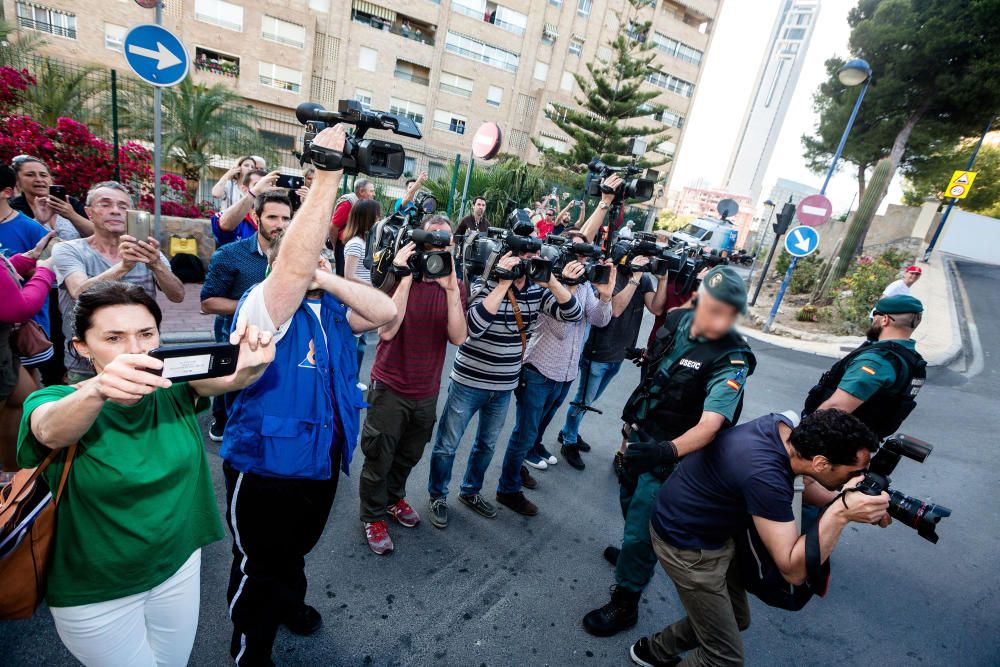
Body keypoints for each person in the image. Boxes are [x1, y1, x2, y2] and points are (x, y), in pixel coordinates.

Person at [16, 280, 275, 667]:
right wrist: (99, 389)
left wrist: (254, 359)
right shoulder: (54, 399)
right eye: (114, 338)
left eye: (146, 334)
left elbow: (233, 378)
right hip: (98, 591)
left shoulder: (172, 389)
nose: (135, 350)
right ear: (81, 348)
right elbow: (50, 430)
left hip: (178, 567)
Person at [220, 124, 397, 666]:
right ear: (278, 259)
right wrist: (328, 175)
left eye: (322, 252)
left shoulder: (330, 310)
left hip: (320, 461)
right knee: (260, 564)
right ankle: (252, 646)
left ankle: (288, 605)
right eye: (304, 256)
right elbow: (293, 270)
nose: (313, 261)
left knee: (293, 553)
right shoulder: (261, 305)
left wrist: (331, 279)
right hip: (267, 464)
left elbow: (387, 315)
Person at [627, 409, 889, 667]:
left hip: (710, 529)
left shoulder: (785, 430)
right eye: (853, 474)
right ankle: (657, 650)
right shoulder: (765, 476)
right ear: (821, 462)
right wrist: (841, 513)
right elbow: (793, 571)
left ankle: (654, 650)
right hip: (687, 546)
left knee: (736, 619)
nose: (857, 480)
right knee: (722, 658)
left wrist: (851, 499)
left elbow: (805, 483)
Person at [582, 266, 756, 638]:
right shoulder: (677, 321)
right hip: (642, 436)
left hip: (672, 455)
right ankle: (636, 555)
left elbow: (711, 424)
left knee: (645, 525)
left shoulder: (732, 358)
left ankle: (626, 601)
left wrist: (665, 452)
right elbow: (661, 371)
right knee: (629, 502)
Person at [426, 244, 583, 528]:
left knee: (486, 445)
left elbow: (572, 314)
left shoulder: (537, 291)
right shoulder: (482, 285)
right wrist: (503, 283)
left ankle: (470, 491)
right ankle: (438, 495)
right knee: (448, 445)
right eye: (520, 258)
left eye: (530, 259)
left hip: (504, 385)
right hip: (468, 382)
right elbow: (473, 327)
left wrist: (552, 281)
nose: (525, 265)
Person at [359, 215, 468, 554]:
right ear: (418, 243)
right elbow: (387, 331)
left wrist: (451, 289)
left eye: (444, 243)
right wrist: (404, 277)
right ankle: (372, 516)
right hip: (391, 385)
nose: (438, 250)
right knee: (379, 456)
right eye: (431, 242)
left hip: (426, 389)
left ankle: (394, 499)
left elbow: (458, 336)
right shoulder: (395, 277)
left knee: (409, 454)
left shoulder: (455, 285)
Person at [498, 233, 614, 515]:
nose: (582, 263)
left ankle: (516, 472)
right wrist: (568, 287)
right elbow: (562, 329)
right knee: (524, 434)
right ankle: (507, 489)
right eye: (577, 256)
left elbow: (599, 320)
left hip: (565, 373)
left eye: (586, 257)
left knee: (536, 430)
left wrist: (605, 296)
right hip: (539, 369)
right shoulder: (547, 283)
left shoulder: (585, 284)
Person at [557, 177, 669, 461]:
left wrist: (662, 277)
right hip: (598, 351)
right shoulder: (607, 274)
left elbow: (656, 309)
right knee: (583, 399)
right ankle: (569, 438)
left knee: (589, 400)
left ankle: (571, 429)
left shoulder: (640, 279)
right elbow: (615, 309)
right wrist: (632, 278)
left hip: (620, 353)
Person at [52, 181, 185, 383]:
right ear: (89, 212)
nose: (115, 211)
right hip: (87, 363)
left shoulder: (149, 253)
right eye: (105, 204)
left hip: (143, 357)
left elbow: (177, 295)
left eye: (123, 206)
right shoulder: (69, 249)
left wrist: (156, 264)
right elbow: (78, 291)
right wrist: (124, 266)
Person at [201, 192, 293, 441]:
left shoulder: (294, 257)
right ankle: (221, 420)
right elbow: (208, 302)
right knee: (229, 384)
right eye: (272, 217)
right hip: (234, 337)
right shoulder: (230, 254)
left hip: (278, 338)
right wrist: (254, 304)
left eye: (286, 218)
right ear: (256, 217)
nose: (280, 224)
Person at [0, 233, 56, 481]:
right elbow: (18, 307)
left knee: (25, 396)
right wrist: (44, 271)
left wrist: (29, 258)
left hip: (5, 350)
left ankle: (13, 473)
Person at [343, 198, 382, 390]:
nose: (379, 219)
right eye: (376, 216)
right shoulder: (356, 244)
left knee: (360, 343)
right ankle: (348, 380)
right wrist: (371, 285)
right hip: (355, 300)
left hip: (363, 299)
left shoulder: (366, 243)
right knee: (353, 345)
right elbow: (348, 276)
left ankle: (353, 379)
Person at [9, 155, 94, 239]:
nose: (39, 179)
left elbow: (97, 235)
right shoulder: (14, 208)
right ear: (17, 181)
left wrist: (71, 215)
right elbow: (17, 241)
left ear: (51, 179)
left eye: (43, 175)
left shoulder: (70, 202)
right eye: (30, 175)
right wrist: (39, 222)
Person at [214, 170, 280, 247]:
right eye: (257, 184)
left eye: (268, 186)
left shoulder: (279, 219)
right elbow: (223, 225)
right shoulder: (232, 216)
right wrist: (255, 192)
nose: (264, 190)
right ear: (244, 189)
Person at [331, 178, 376, 277]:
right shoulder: (347, 204)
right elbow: (333, 227)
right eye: (371, 191)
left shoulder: (363, 204)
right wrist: (335, 246)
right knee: (343, 276)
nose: (374, 194)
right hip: (343, 244)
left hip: (354, 243)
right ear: (361, 191)